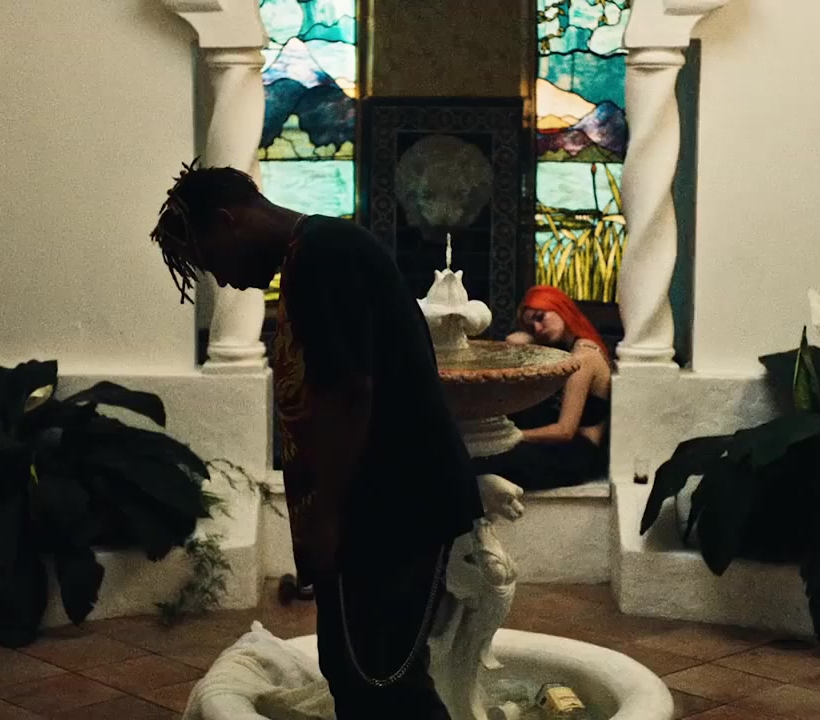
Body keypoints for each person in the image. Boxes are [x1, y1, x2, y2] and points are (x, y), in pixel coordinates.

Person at [150, 161, 483, 720]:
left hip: (392, 507)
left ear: (229, 221)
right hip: (382, 506)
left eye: (212, 261)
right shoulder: (314, 253)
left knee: (383, 681)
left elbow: (347, 393)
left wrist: (326, 519)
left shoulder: (324, 255)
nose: (224, 281)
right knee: (357, 672)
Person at [472, 286, 612, 491]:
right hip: (562, 448)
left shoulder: (583, 357)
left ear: (561, 309)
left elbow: (565, 431)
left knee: (486, 461)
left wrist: (512, 436)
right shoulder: (567, 349)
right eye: (531, 327)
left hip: (577, 455)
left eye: (541, 317)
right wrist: (524, 344)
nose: (538, 328)